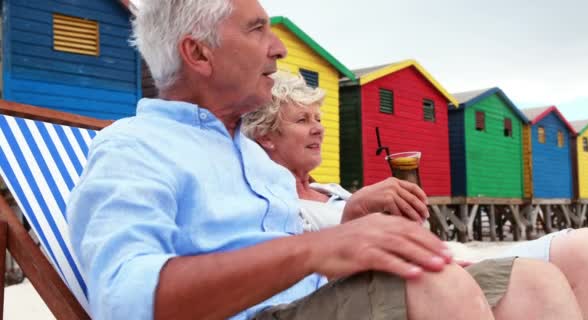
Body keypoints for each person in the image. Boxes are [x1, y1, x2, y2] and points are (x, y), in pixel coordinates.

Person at [67, 1, 516, 319]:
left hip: (312, 303)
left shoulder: (252, 156)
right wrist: (313, 250)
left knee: (531, 282)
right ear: (199, 53)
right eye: (256, 29)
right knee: (434, 284)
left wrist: (348, 224)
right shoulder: (135, 147)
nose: (278, 47)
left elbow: (303, 247)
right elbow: (123, 303)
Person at [242, 70, 588, 320]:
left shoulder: (331, 190)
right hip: (416, 273)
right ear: (266, 136)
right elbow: (309, 275)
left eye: (319, 119)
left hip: (445, 254)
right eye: (303, 120)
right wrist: (355, 218)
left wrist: (402, 220)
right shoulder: (272, 202)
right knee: (528, 280)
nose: (319, 129)